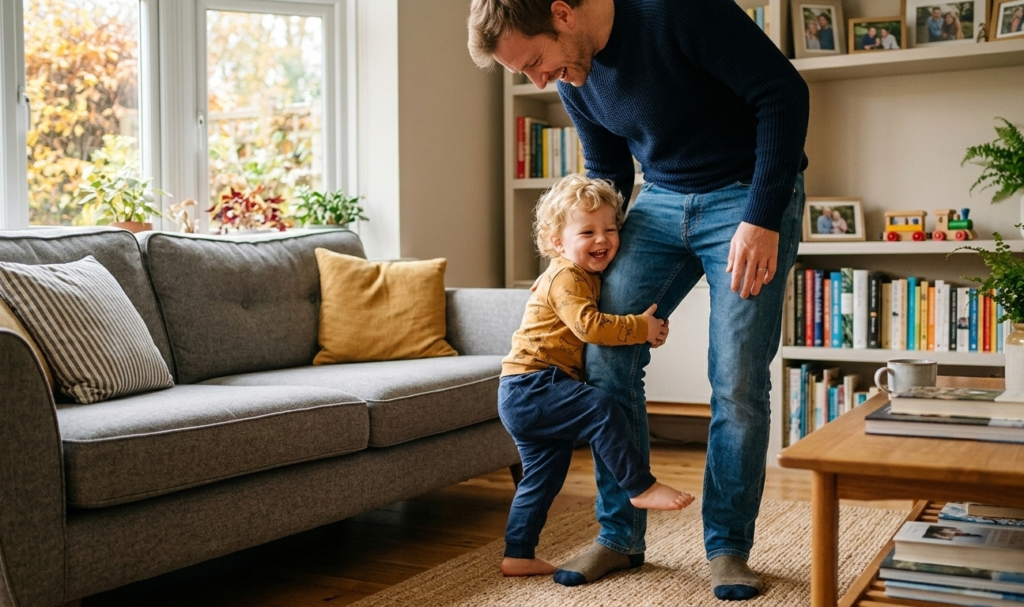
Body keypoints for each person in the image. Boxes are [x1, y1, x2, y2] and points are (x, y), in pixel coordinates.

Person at [468, 0, 809, 600]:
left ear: (562, 13)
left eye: (536, 63)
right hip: (658, 201)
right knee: (603, 355)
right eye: (525, 75)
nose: (538, 82)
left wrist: (763, 215)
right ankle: (620, 536)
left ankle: (727, 547)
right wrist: (576, 265)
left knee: (735, 377)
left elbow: (783, 93)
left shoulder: (676, 12)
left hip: (746, 194)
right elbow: (606, 170)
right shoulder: (575, 71)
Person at [497, 174, 694, 578]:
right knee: (601, 408)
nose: (602, 239)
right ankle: (640, 487)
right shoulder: (567, 276)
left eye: (610, 229)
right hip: (534, 385)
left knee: (541, 482)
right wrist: (639, 328)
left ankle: (518, 553)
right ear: (557, 241)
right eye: (587, 231)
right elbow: (589, 327)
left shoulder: (574, 273)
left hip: (520, 393)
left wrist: (644, 329)